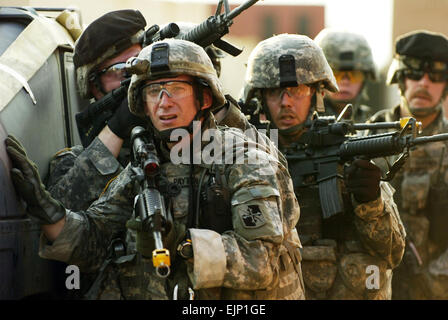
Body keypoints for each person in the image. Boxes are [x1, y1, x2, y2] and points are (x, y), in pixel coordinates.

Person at [6, 39, 305, 300]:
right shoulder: (146, 162)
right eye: (154, 91)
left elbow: (260, 262)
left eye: (176, 89)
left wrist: (182, 244)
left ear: (203, 97)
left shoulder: (245, 159)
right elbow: (93, 238)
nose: (164, 103)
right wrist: (48, 212)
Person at [240, 33, 406, 299]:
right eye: (274, 92)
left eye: (297, 90)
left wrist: (371, 202)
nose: (285, 102)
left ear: (317, 94)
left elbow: (393, 252)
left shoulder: (346, 152)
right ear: (260, 99)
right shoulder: (245, 157)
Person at [366, 30, 448, 300]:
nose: (424, 83)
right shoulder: (365, 139)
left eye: (435, 76)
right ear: (399, 78)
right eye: (414, 73)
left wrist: (433, 280)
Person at [46, 9, 147, 212]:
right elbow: (61, 214)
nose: (134, 78)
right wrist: (117, 127)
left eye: (139, 63)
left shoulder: (179, 136)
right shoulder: (71, 161)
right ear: (93, 86)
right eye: (120, 70)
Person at [314, 28, 377, 122]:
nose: (345, 81)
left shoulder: (373, 125)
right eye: (335, 73)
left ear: (364, 79)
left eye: (355, 74)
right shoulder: (302, 125)